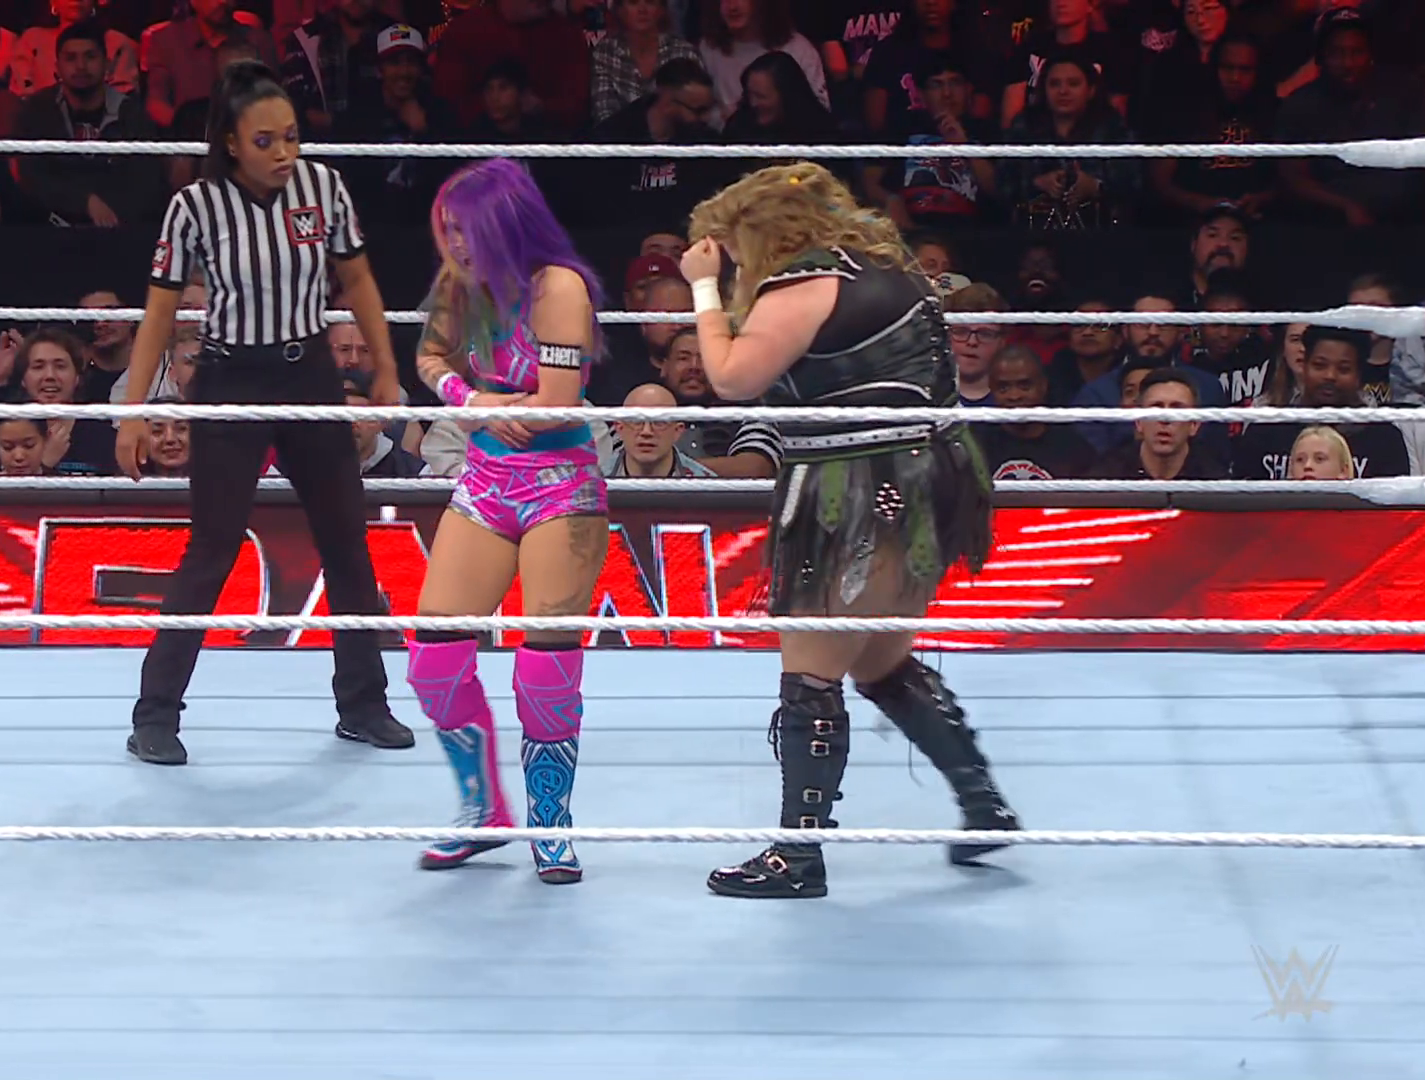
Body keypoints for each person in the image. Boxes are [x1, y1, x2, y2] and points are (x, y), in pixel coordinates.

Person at [679, 162, 1021, 900]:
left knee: (811, 669)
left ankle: (797, 856)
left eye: (731, 248)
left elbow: (731, 378)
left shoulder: (802, 285)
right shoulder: (889, 269)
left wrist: (703, 291)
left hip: (858, 488)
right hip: (927, 475)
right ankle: (983, 802)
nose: (729, 263)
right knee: (879, 657)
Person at [114, 59, 413, 765]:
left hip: (308, 373)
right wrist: (132, 411)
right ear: (231, 142)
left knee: (346, 539)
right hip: (230, 378)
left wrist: (386, 367)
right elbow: (159, 313)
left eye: (292, 137)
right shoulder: (195, 206)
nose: (284, 153)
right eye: (265, 141)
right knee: (213, 546)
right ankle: (155, 715)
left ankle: (364, 705)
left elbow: (358, 278)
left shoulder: (323, 186)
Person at [407, 158, 608, 885]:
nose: (456, 244)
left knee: (545, 665)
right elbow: (429, 357)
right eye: (448, 229)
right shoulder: (458, 285)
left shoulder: (560, 288)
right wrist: (475, 401)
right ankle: (483, 810)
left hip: (560, 485)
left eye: (467, 229)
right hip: (487, 478)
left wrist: (497, 408)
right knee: (433, 659)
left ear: (504, 225)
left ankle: (549, 821)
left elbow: (558, 402)